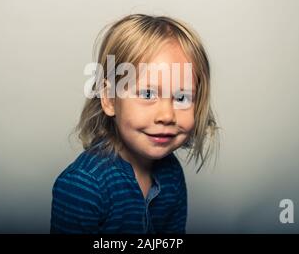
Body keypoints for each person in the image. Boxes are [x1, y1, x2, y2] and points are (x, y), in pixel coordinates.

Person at [50, 14, 219, 233]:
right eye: (148, 94)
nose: (167, 115)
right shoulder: (84, 185)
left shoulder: (171, 173)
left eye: (181, 98)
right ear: (110, 99)